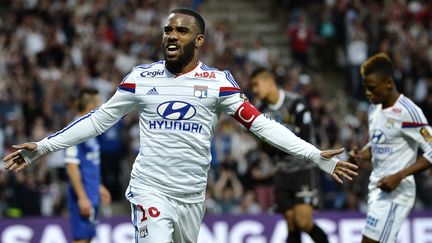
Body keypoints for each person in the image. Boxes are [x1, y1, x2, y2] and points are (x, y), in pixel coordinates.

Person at [3, 8, 357, 243]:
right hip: (150, 189)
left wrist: (315, 155)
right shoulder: (141, 78)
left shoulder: (218, 83)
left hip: (191, 197)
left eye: (182, 31)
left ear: (199, 40)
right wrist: (44, 147)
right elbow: (98, 120)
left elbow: (261, 125)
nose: (172, 36)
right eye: (168, 29)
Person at [349, 53, 432, 243]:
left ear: (388, 84)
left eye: (372, 88)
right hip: (377, 189)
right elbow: (379, 142)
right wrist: (361, 155)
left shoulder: (408, 112)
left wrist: (399, 176)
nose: (368, 93)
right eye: (365, 88)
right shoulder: (374, 108)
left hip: (397, 193)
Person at [251, 68, 329, 243]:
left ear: (269, 81)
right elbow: (264, 147)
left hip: (303, 169)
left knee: (303, 222)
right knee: (291, 224)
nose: (254, 90)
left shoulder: (296, 103)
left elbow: (306, 138)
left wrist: (273, 142)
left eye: (256, 85)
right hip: (282, 172)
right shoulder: (260, 112)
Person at [65, 88, 111, 243]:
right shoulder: (75, 129)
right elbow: (71, 166)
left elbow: (88, 162)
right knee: (82, 239)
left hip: (92, 193)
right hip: (83, 195)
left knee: (88, 238)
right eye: (98, 103)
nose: (101, 107)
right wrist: (82, 197)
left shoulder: (90, 129)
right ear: (91, 105)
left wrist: (99, 186)